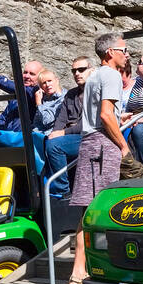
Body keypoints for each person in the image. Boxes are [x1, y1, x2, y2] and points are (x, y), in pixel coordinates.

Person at [66, 34, 142, 284]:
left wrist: (119, 119)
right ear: (110, 52)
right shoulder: (110, 75)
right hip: (102, 145)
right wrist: (123, 145)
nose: (127, 53)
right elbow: (105, 114)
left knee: (89, 209)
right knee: (101, 208)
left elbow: (104, 114)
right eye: (124, 49)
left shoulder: (94, 76)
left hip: (91, 141)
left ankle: (79, 271)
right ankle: (84, 271)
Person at [45, 57, 90, 200]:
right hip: (71, 136)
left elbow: (88, 124)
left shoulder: (95, 92)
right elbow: (61, 119)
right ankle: (42, 189)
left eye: (81, 70)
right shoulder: (71, 95)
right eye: (74, 71)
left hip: (88, 136)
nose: (77, 73)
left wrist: (62, 133)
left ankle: (62, 191)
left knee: (54, 145)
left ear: (91, 70)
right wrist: (54, 133)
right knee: (45, 141)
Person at [0, 59, 42, 132]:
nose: (26, 76)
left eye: (32, 74)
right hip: (8, 137)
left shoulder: (36, 92)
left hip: (22, 139)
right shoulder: (16, 92)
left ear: (39, 77)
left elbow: (20, 89)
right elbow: (5, 116)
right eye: (25, 72)